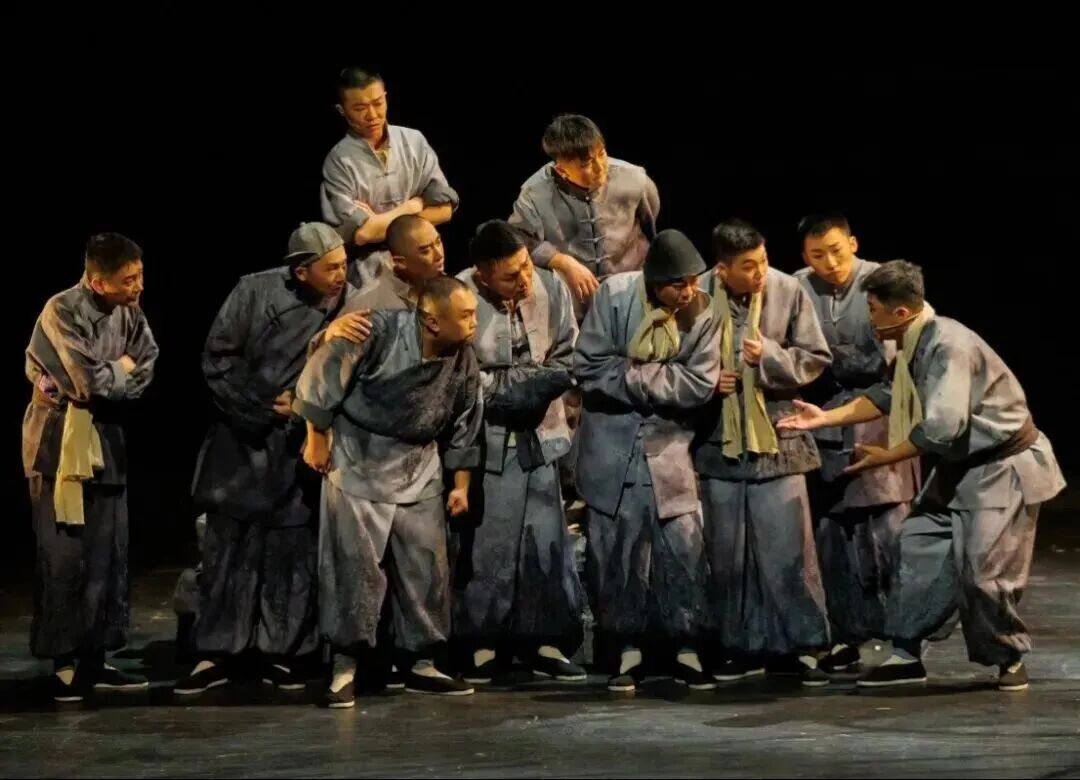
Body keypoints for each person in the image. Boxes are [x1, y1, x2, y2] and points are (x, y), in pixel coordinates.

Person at [778, 260, 1065, 691]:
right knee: (917, 544)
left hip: (1003, 467)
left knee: (984, 575)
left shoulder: (948, 346)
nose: (869, 319)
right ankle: (906, 652)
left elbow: (942, 428)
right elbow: (889, 393)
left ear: (900, 312)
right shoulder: (915, 339)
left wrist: (886, 456)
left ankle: (1007, 657)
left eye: (873, 310)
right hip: (961, 466)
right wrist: (824, 418)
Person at [175, 223, 359, 696]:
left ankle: (283, 653)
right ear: (300, 271)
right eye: (331, 268)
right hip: (242, 441)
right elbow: (218, 357)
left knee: (291, 554)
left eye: (344, 265)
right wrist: (260, 407)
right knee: (228, 553)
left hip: (301, 443)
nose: (342, 275)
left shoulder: (349, 303)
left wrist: (305, 407)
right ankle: (217, 651)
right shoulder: (253, 291)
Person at [294, 276, 483, 707]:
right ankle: (345, 665)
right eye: (466, 315)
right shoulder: (374, 331)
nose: (475, 322)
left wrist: (461, 484)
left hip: (420, 465)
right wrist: (316, 436)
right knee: (353, 568)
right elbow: (321, 374)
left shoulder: (463, 357)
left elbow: (467, 418)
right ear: (432, 321)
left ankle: (423, 661)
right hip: (359, 461)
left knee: (426, 569)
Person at [574, 229, 721, 693]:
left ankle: (687, 648)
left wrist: (633, 374)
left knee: (683, 550)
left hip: (669, 450)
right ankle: (626, 649)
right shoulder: (615, 296)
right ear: (654, 281)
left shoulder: (704, 312)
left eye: (693, 281)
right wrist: (662, 379)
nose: (689, 291)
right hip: (611, 449)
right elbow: (589, 367)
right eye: (679, 284)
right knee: (616, 552)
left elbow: (699, 385)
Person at [694, 218, 833, 687]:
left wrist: (769, 356)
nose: (760, 273)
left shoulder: (787, 290)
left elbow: (815, 356)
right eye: (749, 266)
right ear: (722, 269)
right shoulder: (696, 295)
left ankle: (804, 645)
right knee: (727, 554)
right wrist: (708, 380)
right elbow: (677, 358)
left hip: (777, 436)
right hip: (718, 440)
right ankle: (736, 647)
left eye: (764, 261)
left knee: (788, 549)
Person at [23, 232, 158, 702]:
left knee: (107, 554)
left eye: (140, 276)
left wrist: (114, 376)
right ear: (99, 283)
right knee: (63, 555)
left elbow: (149, 361)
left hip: (108, 439)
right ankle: (63, 662)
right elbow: (84, 382)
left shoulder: (130, 311)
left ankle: (96, 658)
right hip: (58, 444)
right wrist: (120, 369)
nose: (139, 287)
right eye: (129, 280)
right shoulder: (62, 310)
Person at [452, 220, 585, 684]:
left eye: (526, 266)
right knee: (489, 545)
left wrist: (539, 383)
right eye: (511, 276)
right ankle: (481, 641)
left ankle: (545, 640)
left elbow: (567, 356)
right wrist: (517, 386)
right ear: (483, 274)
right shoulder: (460, 294)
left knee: (543, 540)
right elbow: (464, 376)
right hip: (487, 439)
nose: (525, 280)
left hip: (542, 434)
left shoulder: (551, 286)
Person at [793, 212, 920, 675]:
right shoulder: (796, 287)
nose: (829, 263)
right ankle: (847, 635)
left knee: (888, 534)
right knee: (833, 537)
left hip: (880, 414)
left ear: (853, 243)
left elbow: (906, 353)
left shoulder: (882, 282)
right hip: (823, 418)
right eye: (817, 255)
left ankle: (902, 637)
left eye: (836, 251)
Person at [508, 114, 659, 320]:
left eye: (602, 153)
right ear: (562, 170)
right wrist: (564, 262)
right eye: (586, 164)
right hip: (574, 304)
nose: (600, 167)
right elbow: (520, 240)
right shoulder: (534, 193)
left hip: (633, 294)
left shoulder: (635, 178)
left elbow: (651, 228)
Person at [320, 68, 459, 289]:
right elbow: (362, 235)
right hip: (369, 275)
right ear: (342, 110)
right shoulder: (338, 162)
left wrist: (379, 222)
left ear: (386, 97)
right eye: (359, 108)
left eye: (378, 103)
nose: (372, 115)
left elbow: (444, 210)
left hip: (425, 263)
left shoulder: (413, 141)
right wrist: (411, 206)